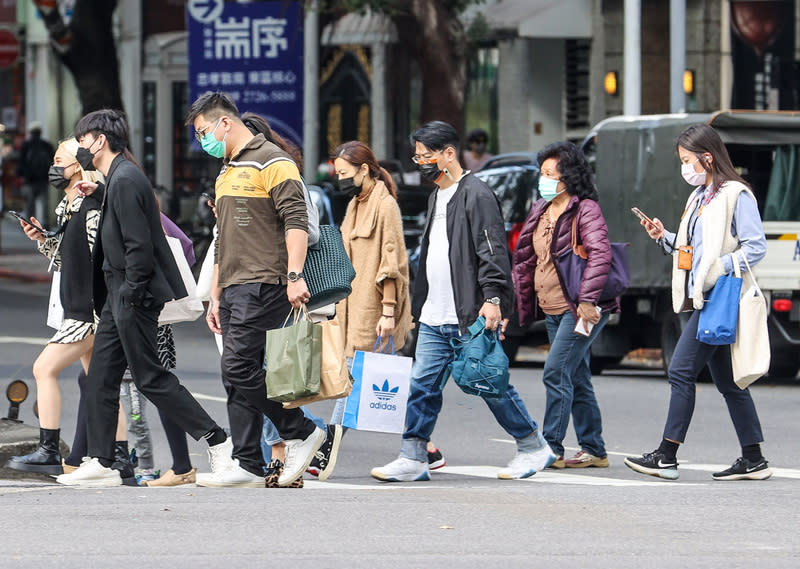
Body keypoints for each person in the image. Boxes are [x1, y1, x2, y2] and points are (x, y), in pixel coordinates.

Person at [55, 109, 233, 488]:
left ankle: (218, 440)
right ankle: (102, 461)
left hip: (132, 295)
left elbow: (138, 246)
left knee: (150, 378)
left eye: (84, 140)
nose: (82, 147)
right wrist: (98, 192)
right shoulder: (115, 180)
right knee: (100, 377)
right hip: (117, 295)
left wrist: (132, 295)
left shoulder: (125, 179)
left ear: (100, 140)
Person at [371, 120, 554, 482]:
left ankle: (533, 446)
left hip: (468, 312)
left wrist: (493, 299)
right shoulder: (437, 195)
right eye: (417, 156)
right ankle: (413, 456)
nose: (419, 163)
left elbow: (492, 252)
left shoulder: (477, 193)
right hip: (434, 313)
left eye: (425, 156)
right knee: (423, 385)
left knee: (487, 382)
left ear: (448, 154)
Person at [186, 91, 324, 488]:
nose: (202, 141)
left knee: (239, 367)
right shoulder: (228, 169)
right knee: (234, 376)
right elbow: (223, 237)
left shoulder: (274, 162)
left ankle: (300, 429)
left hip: (264, 280)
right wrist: (215, 292)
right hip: (232, 285)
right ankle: (247, 463)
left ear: (224, 123)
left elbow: (297, 220)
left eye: (203, 132)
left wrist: (295, 275)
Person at [625, 123, 772, 481]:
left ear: (708, 158)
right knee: (729, 383)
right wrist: (665, 237)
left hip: (721, 298)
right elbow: (694, 250)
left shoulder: (737, 195)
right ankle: (753, 458)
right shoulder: (699, 197)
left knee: (680, 371)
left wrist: (720, 267)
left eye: (688, 160)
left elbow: (756, 246)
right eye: (682, 160)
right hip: (704, 296)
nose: (684, 167)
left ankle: (667, 455)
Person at [512, 141, 616, 469]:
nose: (542, 179)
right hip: (553, 307)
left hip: (581, 309)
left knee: (556, 371)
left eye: (549, 174)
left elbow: (601, 254)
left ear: (568, 177)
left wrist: (586, 300)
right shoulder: (540, 209)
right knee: (577, 376)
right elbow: (526, 260)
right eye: (540, 173)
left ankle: (552, 448)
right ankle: (594, 449)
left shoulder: (585, 209)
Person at [5, 137, 104, 476]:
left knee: (43, 368)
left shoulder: (91, 206)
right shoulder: (68, 206)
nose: (54, 167)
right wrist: (42, 239)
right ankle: (112, 457)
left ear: (78, 166)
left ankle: (49, 447)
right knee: (98, 383)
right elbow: (64, 259)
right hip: (76, 305)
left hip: (90, 311)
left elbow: (101, 258)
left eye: (60, 160)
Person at [17, 121, 55, 221]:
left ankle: (30, 225)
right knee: (45, 205)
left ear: (30, 132)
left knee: (30, 206)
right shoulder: (46, 145)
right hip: (43, 180)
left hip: (29, 181)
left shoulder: (26, 145)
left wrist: (23, 175)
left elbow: (20, 163)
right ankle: (46, 226)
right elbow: (53, 162)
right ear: (40, 132)